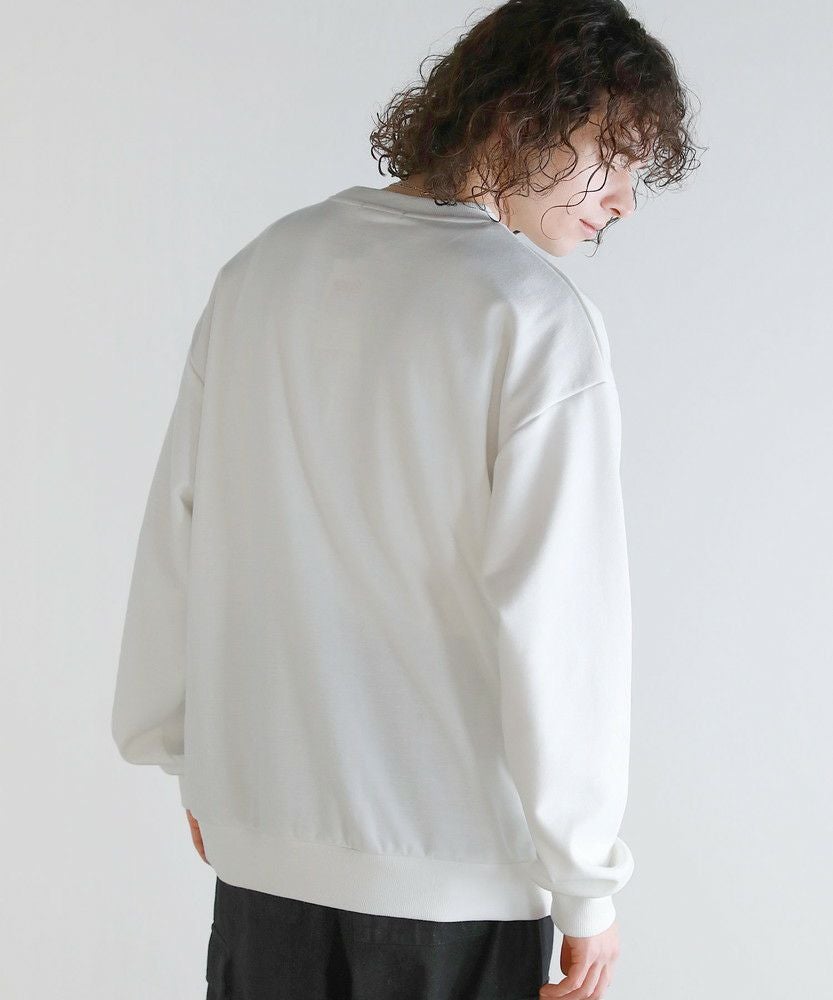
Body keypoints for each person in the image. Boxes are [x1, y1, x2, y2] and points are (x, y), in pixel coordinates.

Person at [111, 1, 699, 998]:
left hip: (263, 861)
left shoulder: (263, 270)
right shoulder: (532, 317)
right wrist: (584, 882)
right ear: (523, 114)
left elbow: (179, 529)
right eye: (612, 156)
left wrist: (187, 756)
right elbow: (561, 624)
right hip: (453, 883)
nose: (622, 200)